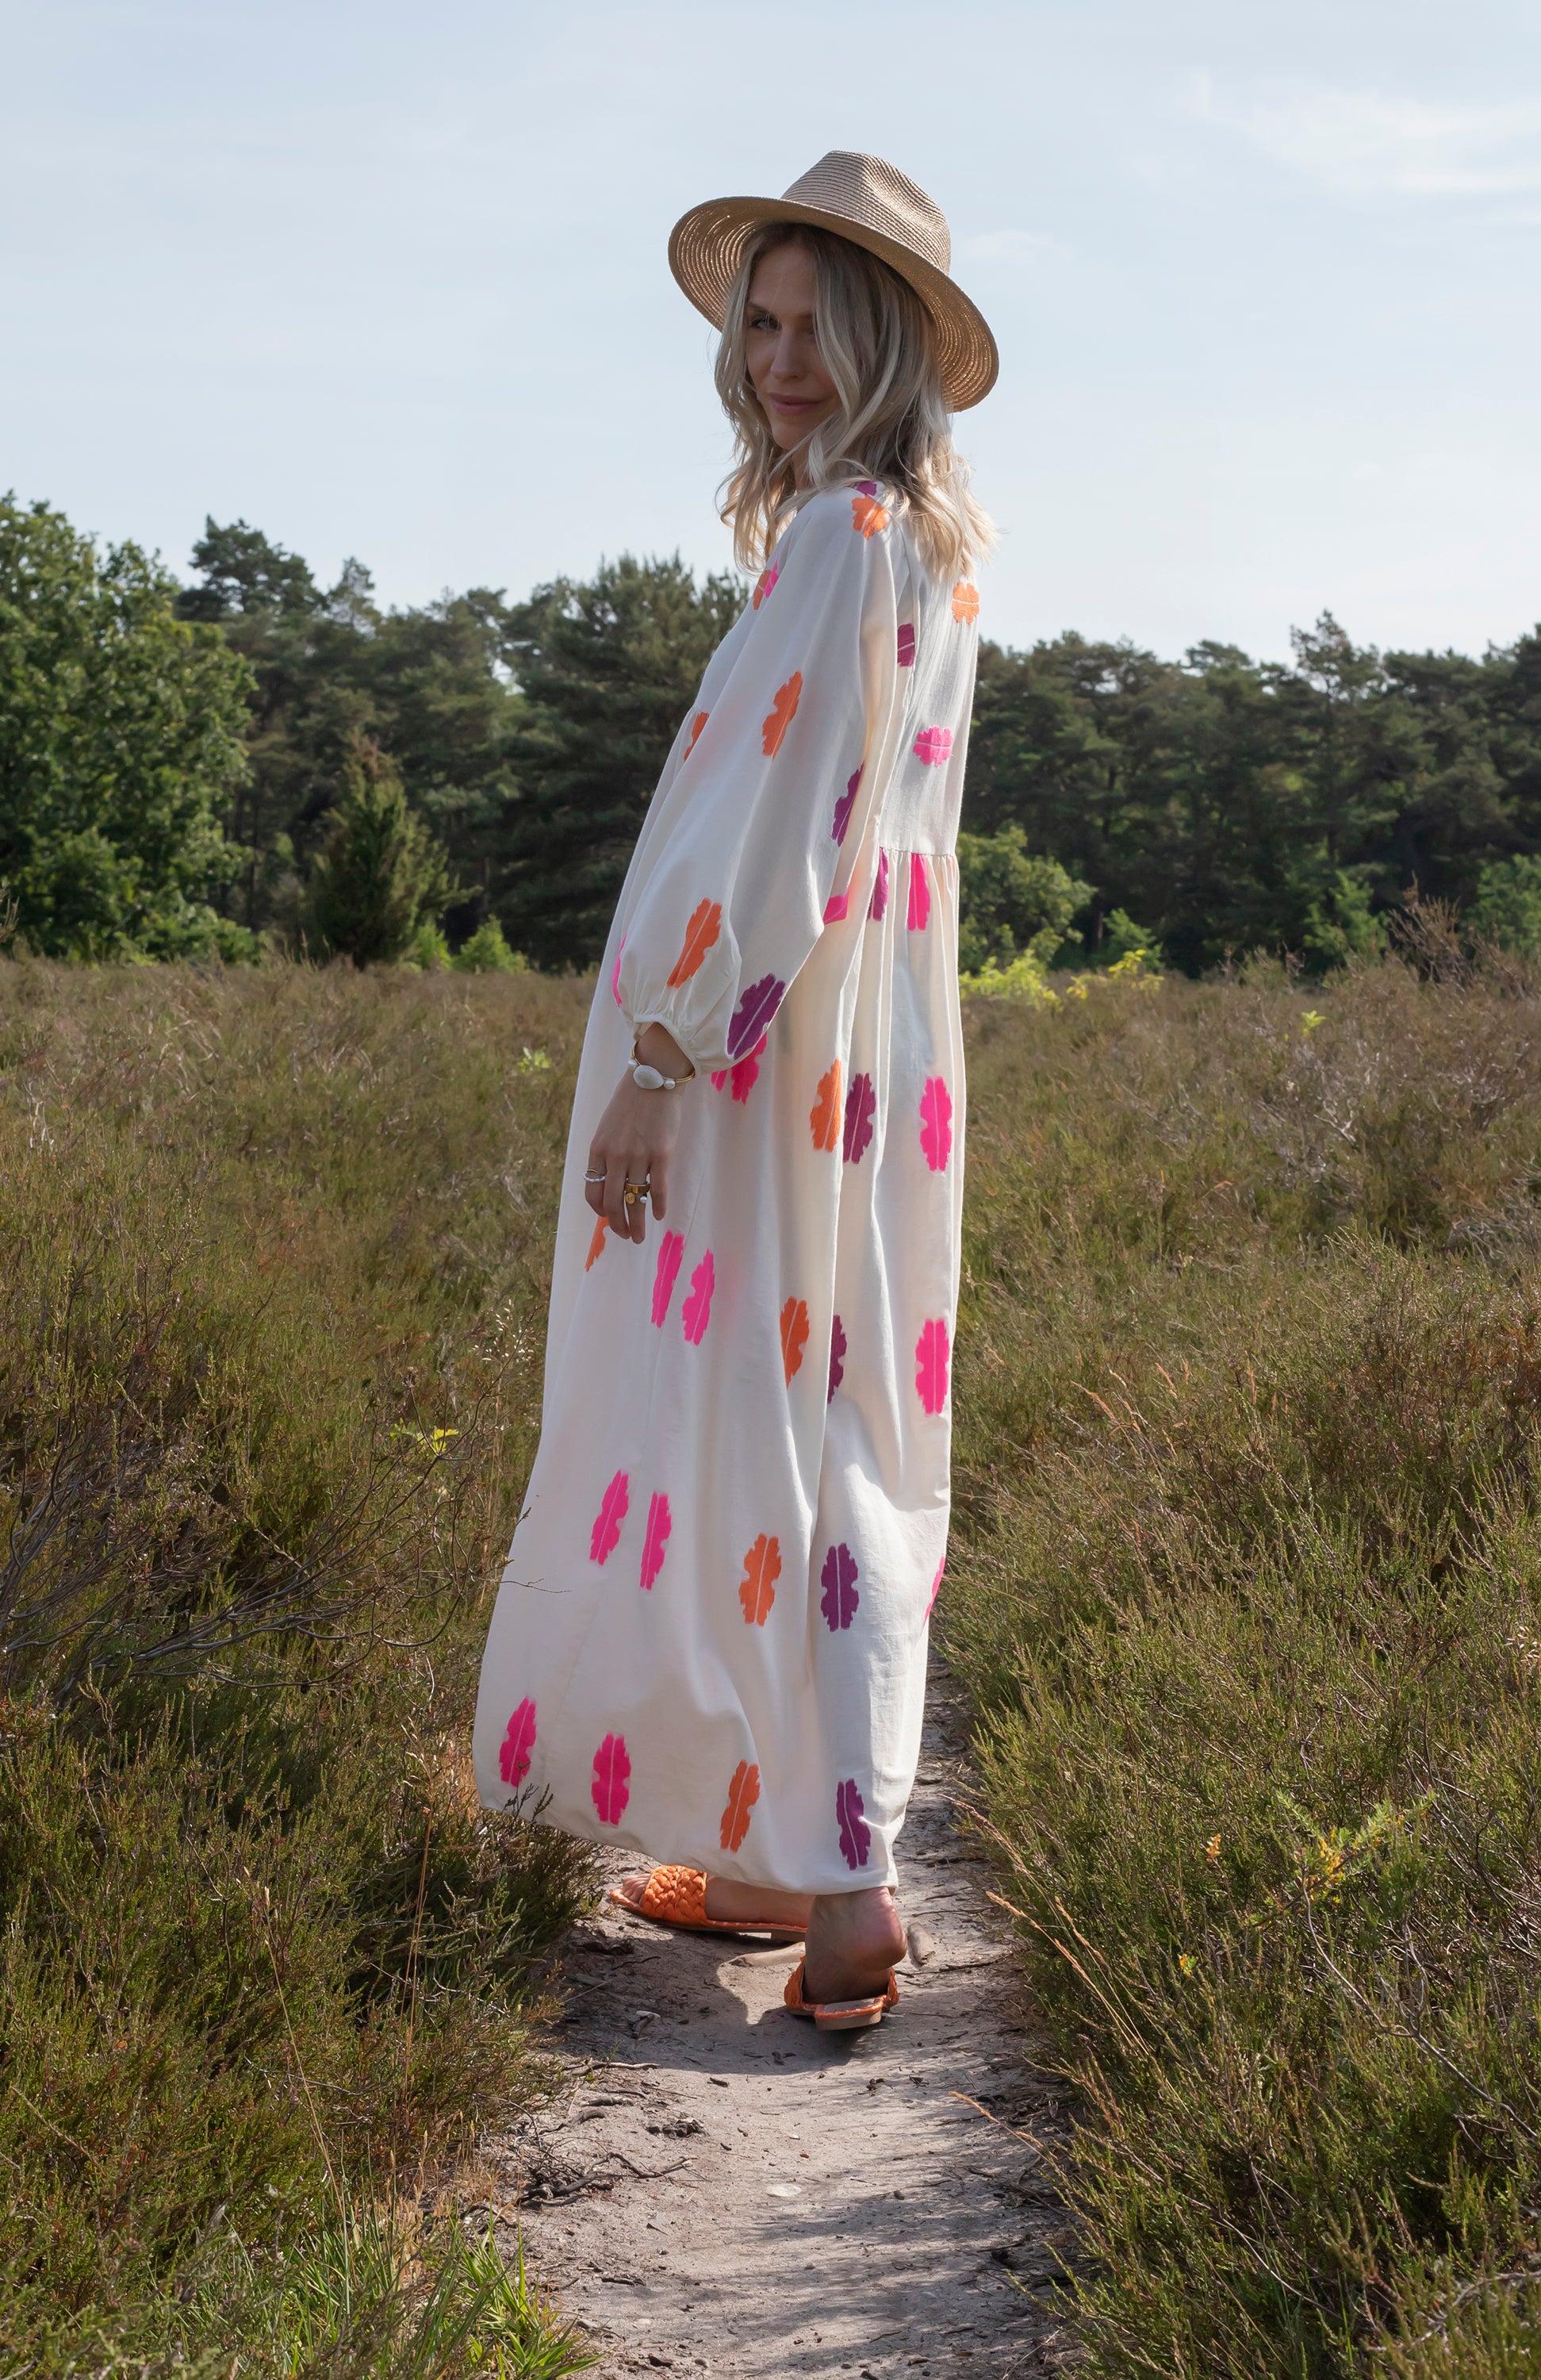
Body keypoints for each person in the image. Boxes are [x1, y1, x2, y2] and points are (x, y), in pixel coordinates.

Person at [473, 152, 996, 2031]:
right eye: (759, 323)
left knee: (778, 1436)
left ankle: (846, 1892)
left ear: (886, 346)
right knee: (820, 1423)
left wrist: (664, 1059)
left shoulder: (845, 533)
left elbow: (779, 830)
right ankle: (788, 1858)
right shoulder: (921, 540)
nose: (777, 359)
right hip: (855, 1064)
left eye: (814, 326)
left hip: (763, 1066)